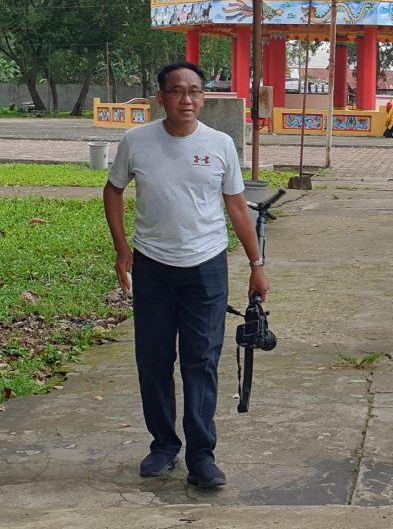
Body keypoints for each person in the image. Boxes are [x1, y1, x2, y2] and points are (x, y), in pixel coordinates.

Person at [102, 62, 269, 489]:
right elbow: (114, 189)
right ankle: (163, 445)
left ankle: (201, 455)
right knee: (154, 361)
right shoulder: (137, 141)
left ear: (204, 97)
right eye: (176, 91)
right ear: (161, 97)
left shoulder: (220, 144)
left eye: (194, 91)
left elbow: (236, 207)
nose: (187, 99)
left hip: (206, 269)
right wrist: (123, 250)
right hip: (153, 268)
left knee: (201, 361)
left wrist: (256, 265)